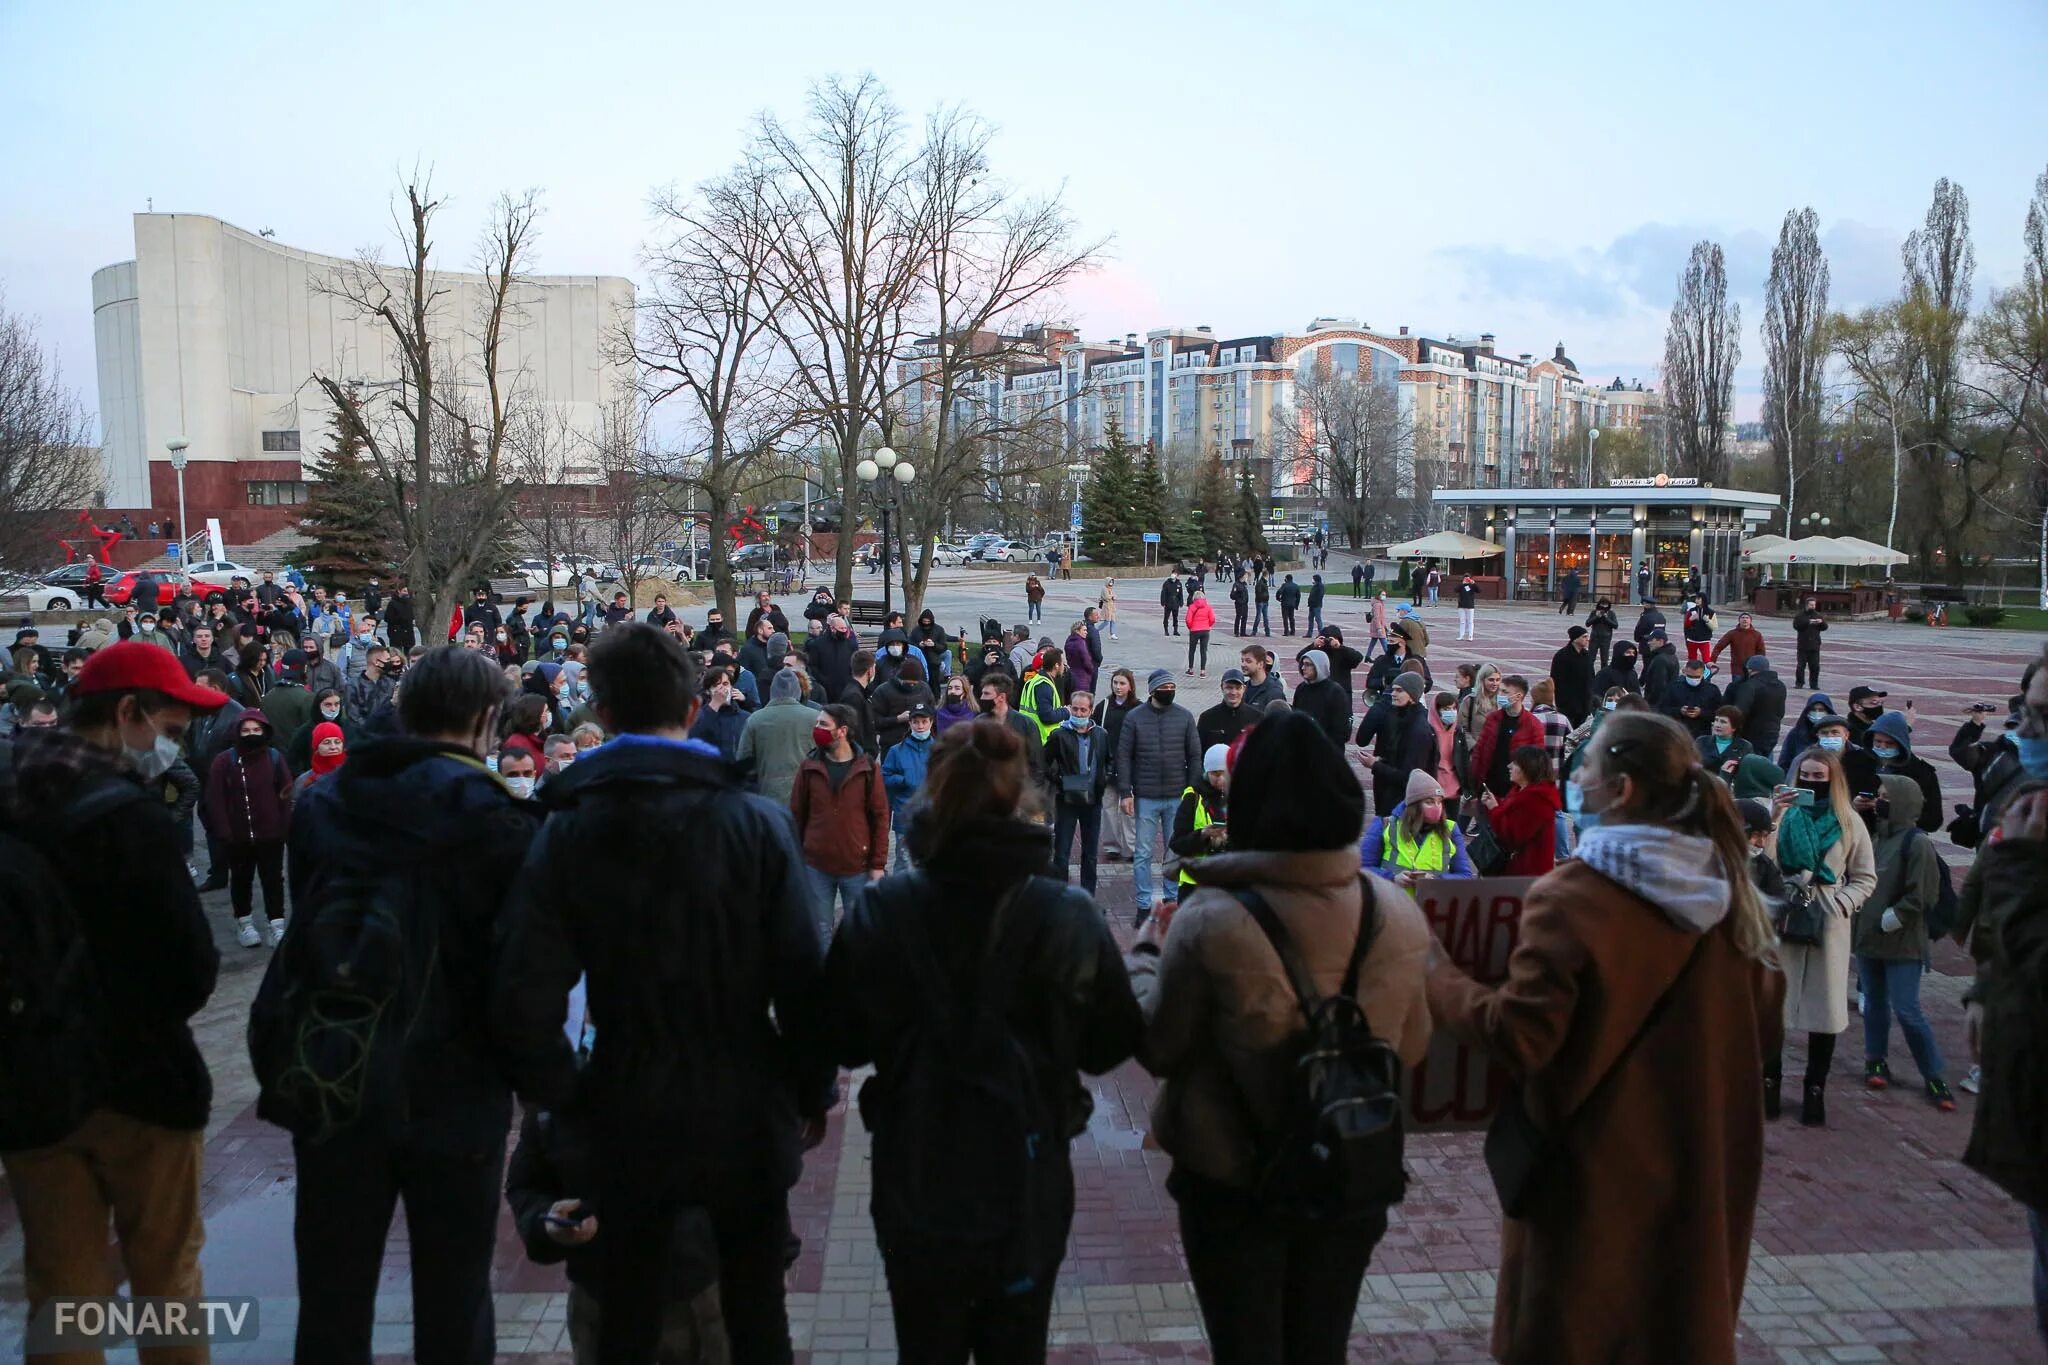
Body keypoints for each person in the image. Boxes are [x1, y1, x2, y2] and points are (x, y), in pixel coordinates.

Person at [492, 623, 832, 1364]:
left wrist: (570, 1104)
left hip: (623, 1106)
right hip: (740, 1102)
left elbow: (524, 994)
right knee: (753, 1321)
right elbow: (801, 979)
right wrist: (810, 1091)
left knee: (628, 1323)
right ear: (690, 706)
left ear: (604, 715)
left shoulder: (568, 826)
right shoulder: (756, 822)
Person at [1428, 711, 1782, 1361]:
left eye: (1584, 765)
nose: (1572, 777)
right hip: (1696, 1174)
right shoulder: (1731, 890)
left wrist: (1435, 974)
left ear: (1619, 791)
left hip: (1593, 1188)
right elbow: (1763, 1029)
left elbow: (1520, 1036)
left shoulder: (1577, 895)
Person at [822, 719, 1140, 1362]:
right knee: (1018, 1342)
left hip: (916, 1166)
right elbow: (1110, 1045)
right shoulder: (1065, 913)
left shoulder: (884, 912)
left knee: (925, 1342)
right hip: (1027, 1168)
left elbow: (840, 1038)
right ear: (1022, 803)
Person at [261, 644, 541, 1364]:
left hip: (337, 1068)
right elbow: (518, 970)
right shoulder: (502, 819)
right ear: (485, 719)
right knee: (454, 1297)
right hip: (456, 1085)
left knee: (330, 1295)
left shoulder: (325, 802)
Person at [1128, 711, 1431, 1364]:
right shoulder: (1396, 912)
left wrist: (1144, 956)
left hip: (1234, 1179)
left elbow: (1160, 1046)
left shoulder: (1211, 918)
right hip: (1352, 1167)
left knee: (1247, 1346)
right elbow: (1412, 1046)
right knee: (1322, 1344)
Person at [0, 643, 224, 1340]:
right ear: (128, 712)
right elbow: (190, 966)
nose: (170, 748)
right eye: (171, 729)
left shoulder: (10, 800)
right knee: (167, 1280)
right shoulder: (128, 817)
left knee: (61, 1289)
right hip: (143, 1086)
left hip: (30, 1084)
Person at [1768, 746, 1879, 1126]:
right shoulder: (1782, 817)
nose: (1811, 782)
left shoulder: (1848, 821)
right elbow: (1763, 862)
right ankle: (1770, 1082)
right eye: (1806, 775)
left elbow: (1865, 876)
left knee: (1824, 1009)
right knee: (1773, 1006)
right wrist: (1773, 816)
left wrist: (1842, 903)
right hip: (1785, 914)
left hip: (1827, 919)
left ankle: (1815, 1088)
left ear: (1833, 779)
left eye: (1819, 776)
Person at [1856, 773, 1957, 1109]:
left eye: (1885, 796)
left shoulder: (1917, 843)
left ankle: (1934, 1075)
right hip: (1870, 939)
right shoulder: (1878, 837)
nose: (1879, 800)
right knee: (1874, 1003)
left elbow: (1923, 894)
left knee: (1907, 1010)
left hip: (1902, 942)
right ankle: (1875, 1059)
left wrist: (1892, 918)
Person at [788, 703, 889, 939]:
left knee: (859, 932)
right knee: (818, 930)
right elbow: (796, 815)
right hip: (815, 867)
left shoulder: (867, 769)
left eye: (823, 724)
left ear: (842, 731)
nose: (817, 728)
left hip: (857, 866)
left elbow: (881, 817)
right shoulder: (809, 766)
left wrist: (878, 864)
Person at [1116, 668, 1200, 928]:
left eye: (1172, 687)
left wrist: (1192, 790)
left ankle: (1172, 901)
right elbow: (1124, 755)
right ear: (1153, 690)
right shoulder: (1134, 718)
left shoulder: (1185, 717)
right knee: (1142, 852)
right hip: (1146, 796)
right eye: (1165, 687)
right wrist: (1125, 792)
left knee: (1173, 851)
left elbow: (1195, 755)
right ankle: (1143, 906)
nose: (1169, 691)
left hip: (1177, 795)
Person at [204, 709, 293, 946]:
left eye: (256, 730)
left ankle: (277, 924)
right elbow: (215, 799)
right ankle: (244, 923)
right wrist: (224, 831)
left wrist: (284, 827)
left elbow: (286, 794)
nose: (251, 734)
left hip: (271, 834)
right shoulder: (224, 762)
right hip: (237, 837)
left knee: (273, 880)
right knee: (241, 880)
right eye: (246, 730)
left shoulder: (274, 758)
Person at [1044, 689, 1109, 893]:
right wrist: (1060, 780)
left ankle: (1088, 895)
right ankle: (1061, 894)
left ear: (1090, 711)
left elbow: (1109, 760)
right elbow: (1044, 762)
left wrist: (1103, 779)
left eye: (1083, 710)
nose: (1079, 714)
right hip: (1067, 800)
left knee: (1090, 854)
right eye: (1075, 709)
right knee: (1062, 852)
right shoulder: (1059, 735)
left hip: (1093, 800)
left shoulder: (1101, 735)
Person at [1362, 768, 1474, 884]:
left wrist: (1436, 880)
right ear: (1414, 806)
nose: (1437, 807)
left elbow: (1465, 875)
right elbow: (1363, 869)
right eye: (1429, 802)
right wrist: (1392, 878)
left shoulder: (1451, 829)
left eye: (1439, 801)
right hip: (1394, 900)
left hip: (1433, 900)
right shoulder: (1384, 825)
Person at [1355, 669, 1435, 817]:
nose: (1393, 693)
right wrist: (1382, 761)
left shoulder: (1418, 728)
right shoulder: (1403, 718)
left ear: (1411, 695)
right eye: (1393, 689)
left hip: (1404, 804)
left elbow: (1409, 776)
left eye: (1399, 690)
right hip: (1392, 797)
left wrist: (1375, 765)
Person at [738, 667, 819, 807]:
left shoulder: (756, 719)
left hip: (769, 798)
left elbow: (743, 763)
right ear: (798, 691)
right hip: (808, 797)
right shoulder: (815, 718)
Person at [1477, 745, 1563, 876]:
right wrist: (1496, 803)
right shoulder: (1522, 791)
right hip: (1518, 869)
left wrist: (1494, 808)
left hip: (1526, 873)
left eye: (1515, 763)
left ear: (1528, 768)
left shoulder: (1537, 800)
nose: (1509, 766)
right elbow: (1512, 814)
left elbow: (1512, 837)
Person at [1168, 743, 1232, 896]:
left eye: (1226, 773)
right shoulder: (1193, 797)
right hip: (1195, 885)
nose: (1221, 779)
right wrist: (1203, 835)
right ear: (1206, 772)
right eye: (1215, 774)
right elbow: (1177, 844)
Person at [879, 701, 936, 872]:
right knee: (904, 862)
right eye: (916, 722)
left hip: (931, 816)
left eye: (924, 721)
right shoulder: (897, 751)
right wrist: (902, 780)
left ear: (931, 722)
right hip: (906, 814)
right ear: (909, 723)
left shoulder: (939, 749)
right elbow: (884, 776)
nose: (920, 726)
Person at [1867, 710, 1943, 834]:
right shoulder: (1860, 763)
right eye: (1878, 742)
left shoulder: (1921, 772)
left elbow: (1933, 820)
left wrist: (1894, 812)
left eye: (1889, 743)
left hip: (1901, 837)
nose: (1883, 747)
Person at [1470, 675, 1544, 801]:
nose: (1500, 695)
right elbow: (1480, 751)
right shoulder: (1493, 718)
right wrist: (1474, 784)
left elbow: (1537, 762)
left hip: (1516, 792)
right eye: (1500, 691)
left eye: (1505, 692)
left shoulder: (1532, 724)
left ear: (1519, 696)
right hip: (1489, 790)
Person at [1099, 669, 1140, 861]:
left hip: (1130, 765)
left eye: (1122, 683)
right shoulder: (1104, 706)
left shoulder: (1138, 708)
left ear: (1130, 685)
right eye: (1115, 682)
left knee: (1129, 809)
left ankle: (1131, 847)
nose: (1118, 687)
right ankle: (1111, 846)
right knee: (1108, 808)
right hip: (1107, 763)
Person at [1291, 648, 1351, 750]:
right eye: (1302, 664)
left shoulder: (1335, 692)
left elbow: (1342, 730)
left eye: (1307, 664)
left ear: (1319, 666)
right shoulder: (1302, 688)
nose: (1303, 668)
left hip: (1327, 752)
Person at [688, 665, 748, 761]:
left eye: (725, 684)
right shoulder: (699, 716)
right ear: (708, 691)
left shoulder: (744, 717)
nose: (722, 689)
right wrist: (715, 705)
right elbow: (694, 739)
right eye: (716, 685)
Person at [1660, 655, 1722, 738]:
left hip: (1702, 734)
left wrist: (1701, 713)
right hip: (1678, 733)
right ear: (1685, 672)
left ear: (1703, 674)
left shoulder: (1712, 690)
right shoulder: (1674, 687)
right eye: (1690, 676)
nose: (1693, 679)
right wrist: (1679, 711)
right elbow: (1662, 709)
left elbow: (1719, 713)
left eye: (1696, 677)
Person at [1197, 669, 1255, 753]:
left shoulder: (1256, 718)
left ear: (1244, 689)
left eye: (1238, 688)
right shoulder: (1207, 718)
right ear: (1222, 687)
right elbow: (1198, 752)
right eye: (1229, 687)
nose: (1233, 692)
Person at [1779, 692, 1839, 771]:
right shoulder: (1796, 733)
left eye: (1821, 710)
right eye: (1813, 710)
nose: (1817, 713)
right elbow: (1784, 761)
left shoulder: (1837, 734)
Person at [1549, 625, 1595, 726]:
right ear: (1575, 639)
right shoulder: (1562, 656)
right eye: (1584, 637)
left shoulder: (1586, 655)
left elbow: (1591, 677)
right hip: (1567, 705)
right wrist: (1562, 701)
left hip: (1584, 704)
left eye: (1587, 636)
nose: (1588, 639)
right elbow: (1556, 680)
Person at [1697, 705, 1754, 780]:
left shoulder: (1745, 746)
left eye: (1723, 722)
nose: (1717, 725)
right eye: (1716, 720)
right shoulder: (1701, 741)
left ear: (1734, 727)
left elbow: (1748, 774)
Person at [1712, 611, 1766, 676]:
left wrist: (1760, 666)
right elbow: (1719, 647)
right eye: (1742, 618)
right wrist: (1712, 660)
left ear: (1750, 621)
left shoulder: (1757, 634)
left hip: (1752, 669)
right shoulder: (1732, 633)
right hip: (1737, 668)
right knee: (1737, 685)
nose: (1745, 619)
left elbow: (1761, 651)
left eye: (1747, 618)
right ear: (1739, 620)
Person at [1792, 597, 1828, 689]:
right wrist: (1808, 622)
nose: (1813, 606)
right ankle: (1799, 683)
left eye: (1814, 605)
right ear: (1807, 605)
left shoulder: (1818, 615)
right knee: (1800, 666)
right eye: (1811, 605)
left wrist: (1821, 622)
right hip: (1803, 645)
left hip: (1815, 645)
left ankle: (1814, 684)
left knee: (1815, 667)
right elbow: (1796, 626)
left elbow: (1825, 627)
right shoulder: (1800, 615)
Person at [1640, 629, 1679, 706]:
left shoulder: (1660, 660)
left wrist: (1649, 702)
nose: (1648, 643)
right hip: (1667, 701)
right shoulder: (1671, 655)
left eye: (1651, 640)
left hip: (1657, 705)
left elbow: (1658, 686)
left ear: (1660, 641)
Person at [1237, 646, 1284, 711]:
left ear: (1260, 664)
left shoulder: (1273, 692)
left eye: (1248, 661)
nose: (1243, 664)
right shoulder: (1243, 687)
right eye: (1242, 661)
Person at [1183, 586, 1216, 677]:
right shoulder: (1208, 607)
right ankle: (1202, 671)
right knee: (1203, 651)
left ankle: (1191, 669)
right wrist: (1208, 625)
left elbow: (1188, 620)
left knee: (1192, 650)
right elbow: (1213, 619)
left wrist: (1190, 627)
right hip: (1205, 630)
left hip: (1194, 630)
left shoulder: (1192, 607)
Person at [1585, 597, 1619, 669]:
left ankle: (1603, 676)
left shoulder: (1611, 613)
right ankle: (1590, 676)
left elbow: (1615, 625)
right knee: (1591, 658)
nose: (1603, 607)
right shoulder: (1594, 612)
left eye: (1606, 604)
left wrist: (1606, 618)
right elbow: (1587, 623)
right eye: (1602, 604)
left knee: (1604, 659)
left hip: (1606, 639)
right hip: (1595, 638)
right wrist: (1596, 617)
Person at [1456, 573, 1478, 641]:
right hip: (1461, 605)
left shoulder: (1472, 586)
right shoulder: (1462, 586)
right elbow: (1455, 590)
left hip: (1470, 605)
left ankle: (1470, 636)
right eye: (1465, 578)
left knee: (1470, 621)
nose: (1467, 579)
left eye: (1468, 578)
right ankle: (1461, 635)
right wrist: (1462, 584)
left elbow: (1479, 590)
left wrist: (1473, 583)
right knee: (1462, 621)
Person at [1252, 571, 1271, 635]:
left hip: (1264, 602)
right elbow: (1258, 592)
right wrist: (1263, 598)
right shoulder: (1260, 583)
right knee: (1258, 617)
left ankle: (1267, 631)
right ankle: (1254, 630)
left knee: (1265, 617)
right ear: (1266, 575)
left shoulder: (1264, 582)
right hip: (1261, 602)